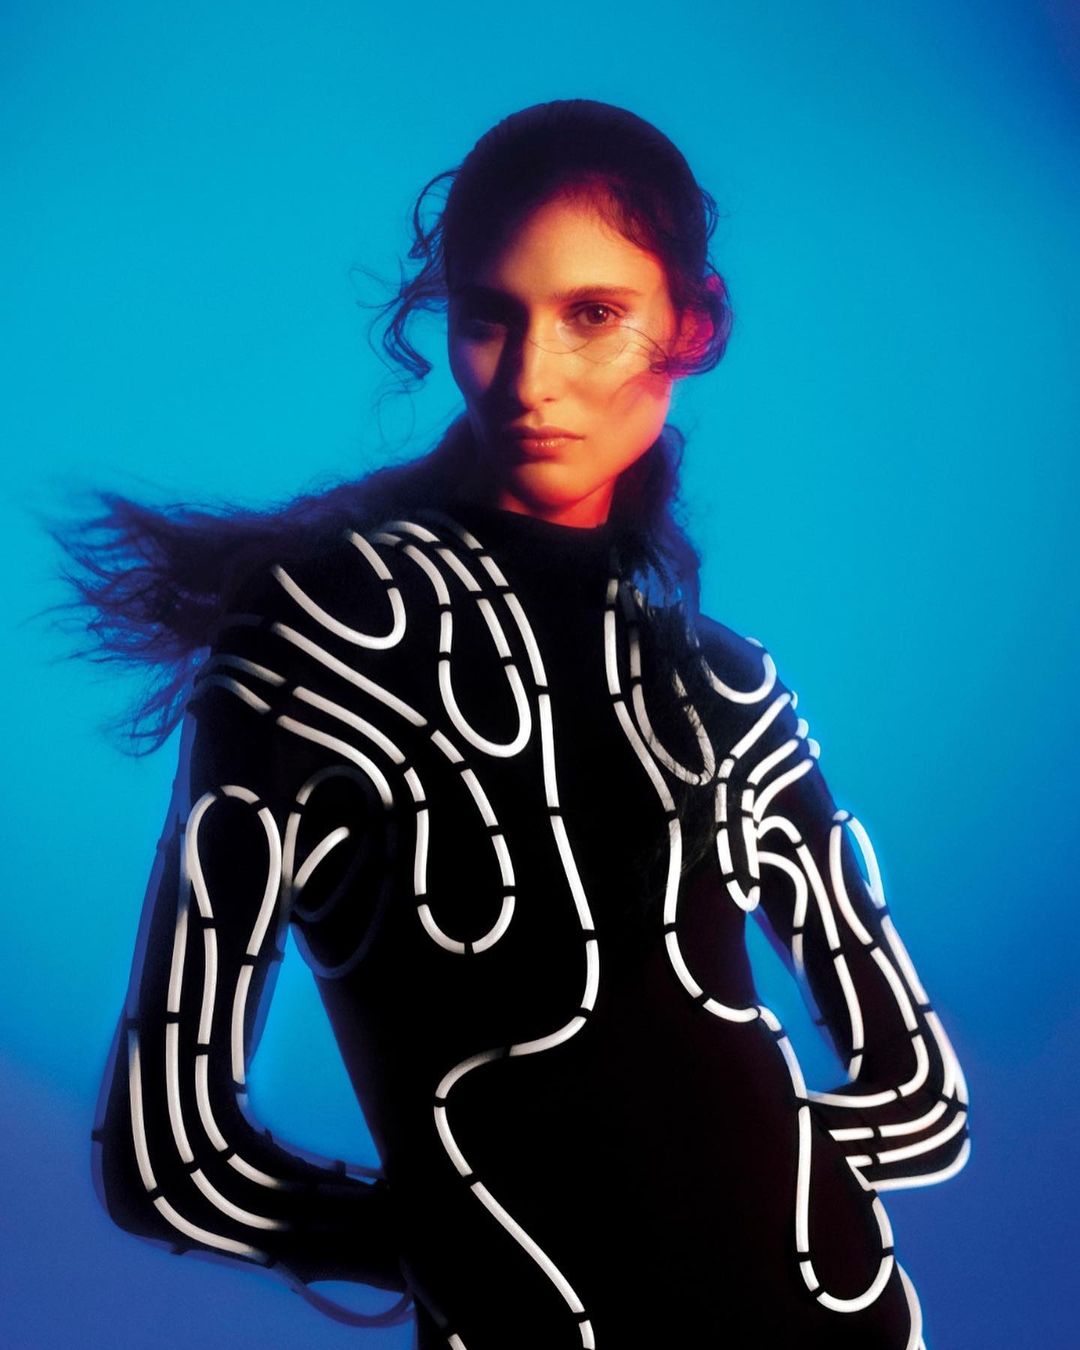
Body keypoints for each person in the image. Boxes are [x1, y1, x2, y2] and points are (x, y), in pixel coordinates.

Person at [56, 99, 970, 1349]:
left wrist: (776, 1182)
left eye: (593, 314)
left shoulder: (725, 689)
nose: (533, 380)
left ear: (692, 326)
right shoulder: (321, 650)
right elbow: (169, 1158)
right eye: (490, 317)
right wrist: (462, 1239)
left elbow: (920, 1098)